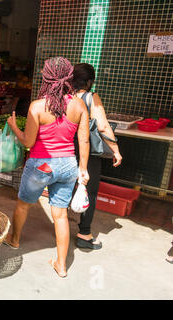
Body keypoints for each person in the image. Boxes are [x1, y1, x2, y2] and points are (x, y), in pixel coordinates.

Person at [4, 57, 90, 278]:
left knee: (23, 204)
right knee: (60, 215)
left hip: (41, 165)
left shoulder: (38, 106)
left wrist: (14, 126)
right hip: (69, 165)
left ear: (46, 78)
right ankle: (61, 265)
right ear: (69, 78)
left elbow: (28, 142)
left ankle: (14, 240)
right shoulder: (79, 105)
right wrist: (83, 168)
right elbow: (84, 141)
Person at [72, 63, 122, 250]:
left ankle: (60, 227)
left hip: (66, 151)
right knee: (89, 192)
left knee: (64, 189)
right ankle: (84, 233)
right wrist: (115, 150)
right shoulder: (91, 98)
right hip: (87, 153)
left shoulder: (65, 97)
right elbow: (102, 126)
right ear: (90, 81)